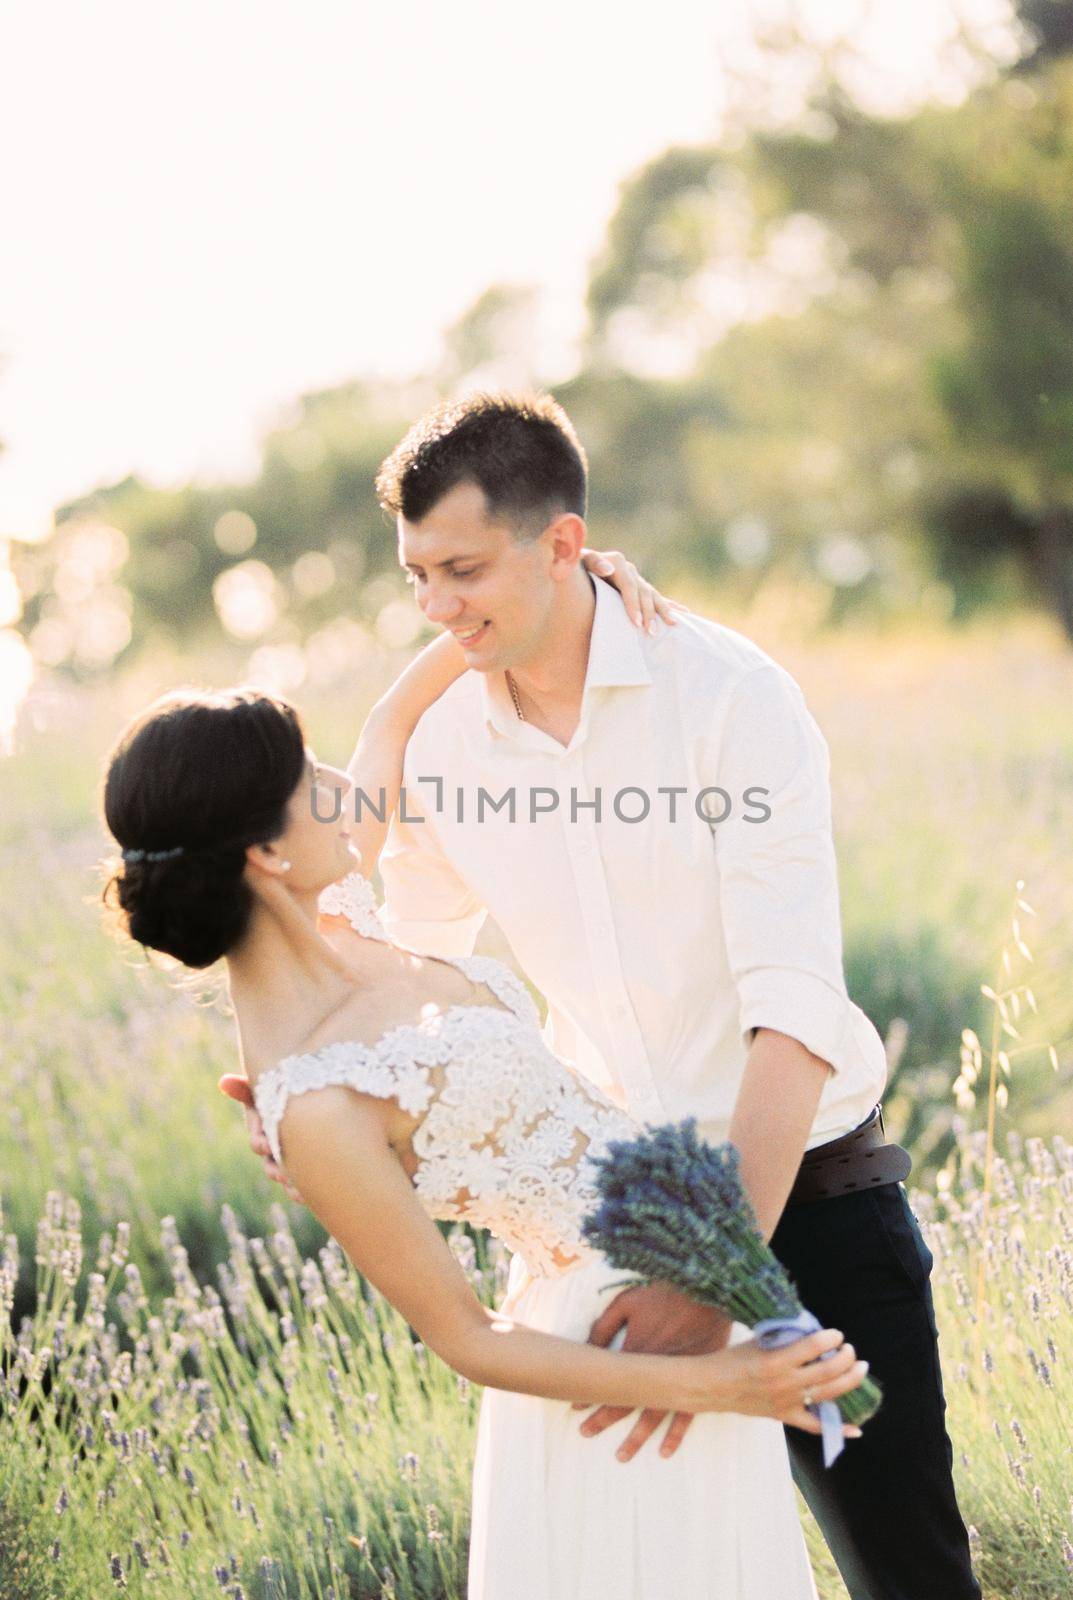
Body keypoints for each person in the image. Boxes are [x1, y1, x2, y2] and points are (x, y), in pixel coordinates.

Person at [228, 393, 981, 1600]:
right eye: (415, 575)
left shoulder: (729, 698)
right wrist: (320, 1105)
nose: (434, 606)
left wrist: (715, 1259)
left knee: (909, 1576)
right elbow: (402, 976)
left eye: (463, 569)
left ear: (563, 544)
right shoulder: (438, 750)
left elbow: (788, 1008)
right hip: (606, 1240)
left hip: (808, 1210)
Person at [103, 670, 868, 1600]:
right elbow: (465, 1337)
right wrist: (732, 1386)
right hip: (617, 1357)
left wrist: (544, 591)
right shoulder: (314, 1102)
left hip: (683, 1268)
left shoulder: (340, 916)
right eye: (314, 776)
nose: (349, 785)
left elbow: (389, 724)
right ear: (264, 850)